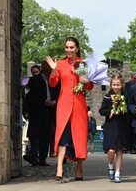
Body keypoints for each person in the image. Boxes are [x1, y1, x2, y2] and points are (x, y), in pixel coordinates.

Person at [46, 37, 93, 181]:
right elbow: (53, 84)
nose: (68, 50)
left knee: (79, 137)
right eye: (66, 47)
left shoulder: (84, 63)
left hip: (79, 105)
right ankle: (59, 167)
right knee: (62, 136)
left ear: (77, 48)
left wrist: (86, 82)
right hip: (63, 105)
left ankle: (79, 168)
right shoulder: (60, 64)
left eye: (71, 47)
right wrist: (54, 71)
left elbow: (91, 86)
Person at [99, 73, 128, 183]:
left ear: (122, 85)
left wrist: (125, 110)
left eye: (118, 85)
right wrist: (109, 112)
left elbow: (129, 109)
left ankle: (117, 173)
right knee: (111, 150)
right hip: (110, 126)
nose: (116, 87)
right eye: (114, 85)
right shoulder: (107, 97)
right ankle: (111, 166)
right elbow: (101, 110)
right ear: (111, 85)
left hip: (121, 126)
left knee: (119, 150)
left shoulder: (125, 96)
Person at [124, 72, 136, 154]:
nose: (133, 79)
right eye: (133, 77)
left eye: (135, 78)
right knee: (128, 129)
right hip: (128, 110)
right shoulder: (127, 85)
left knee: (135, 129)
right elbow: (126, 95)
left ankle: (135, 147)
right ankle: (128, 147)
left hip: (135, 110)